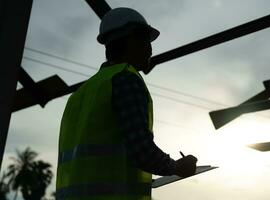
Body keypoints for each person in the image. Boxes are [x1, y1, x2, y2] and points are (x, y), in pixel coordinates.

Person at [56, 7, 197, 200]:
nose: (150, 49)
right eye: (147, 40)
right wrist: (177, 167)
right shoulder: (125, 79)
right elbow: (141, 151)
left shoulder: (80, 94)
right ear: (132, 40)